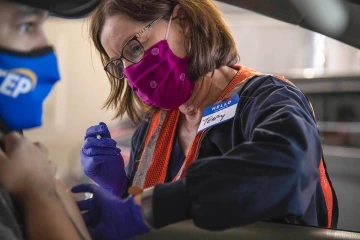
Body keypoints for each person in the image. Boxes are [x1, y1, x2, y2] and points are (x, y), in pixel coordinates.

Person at [77, 0, 339, 239]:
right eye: (119, 65)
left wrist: (153, 205)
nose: (131, 73)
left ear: (184, 23)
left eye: (134, 47)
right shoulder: (150, 130)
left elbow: (288, 169)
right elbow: (146, 225)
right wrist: (121, 190)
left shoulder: (268, 100)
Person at [0, 0, 100, 239]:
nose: (45, 45)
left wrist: (47, 186)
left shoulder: (12, 145)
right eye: (26, 26)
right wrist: (38, 192)